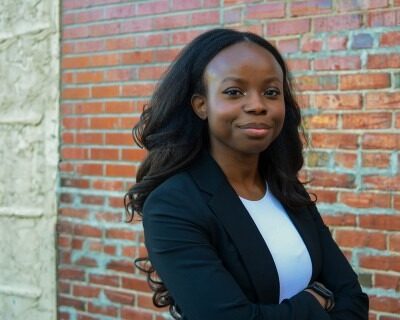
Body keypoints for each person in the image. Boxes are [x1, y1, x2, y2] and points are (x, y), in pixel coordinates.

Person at [125, 28, 369, 320]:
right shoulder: (174, 205)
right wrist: (315, 302)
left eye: (270, 92)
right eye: (233, 92)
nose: (257, 105)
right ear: (201, 105)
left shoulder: (286, 190)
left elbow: (352, 299)